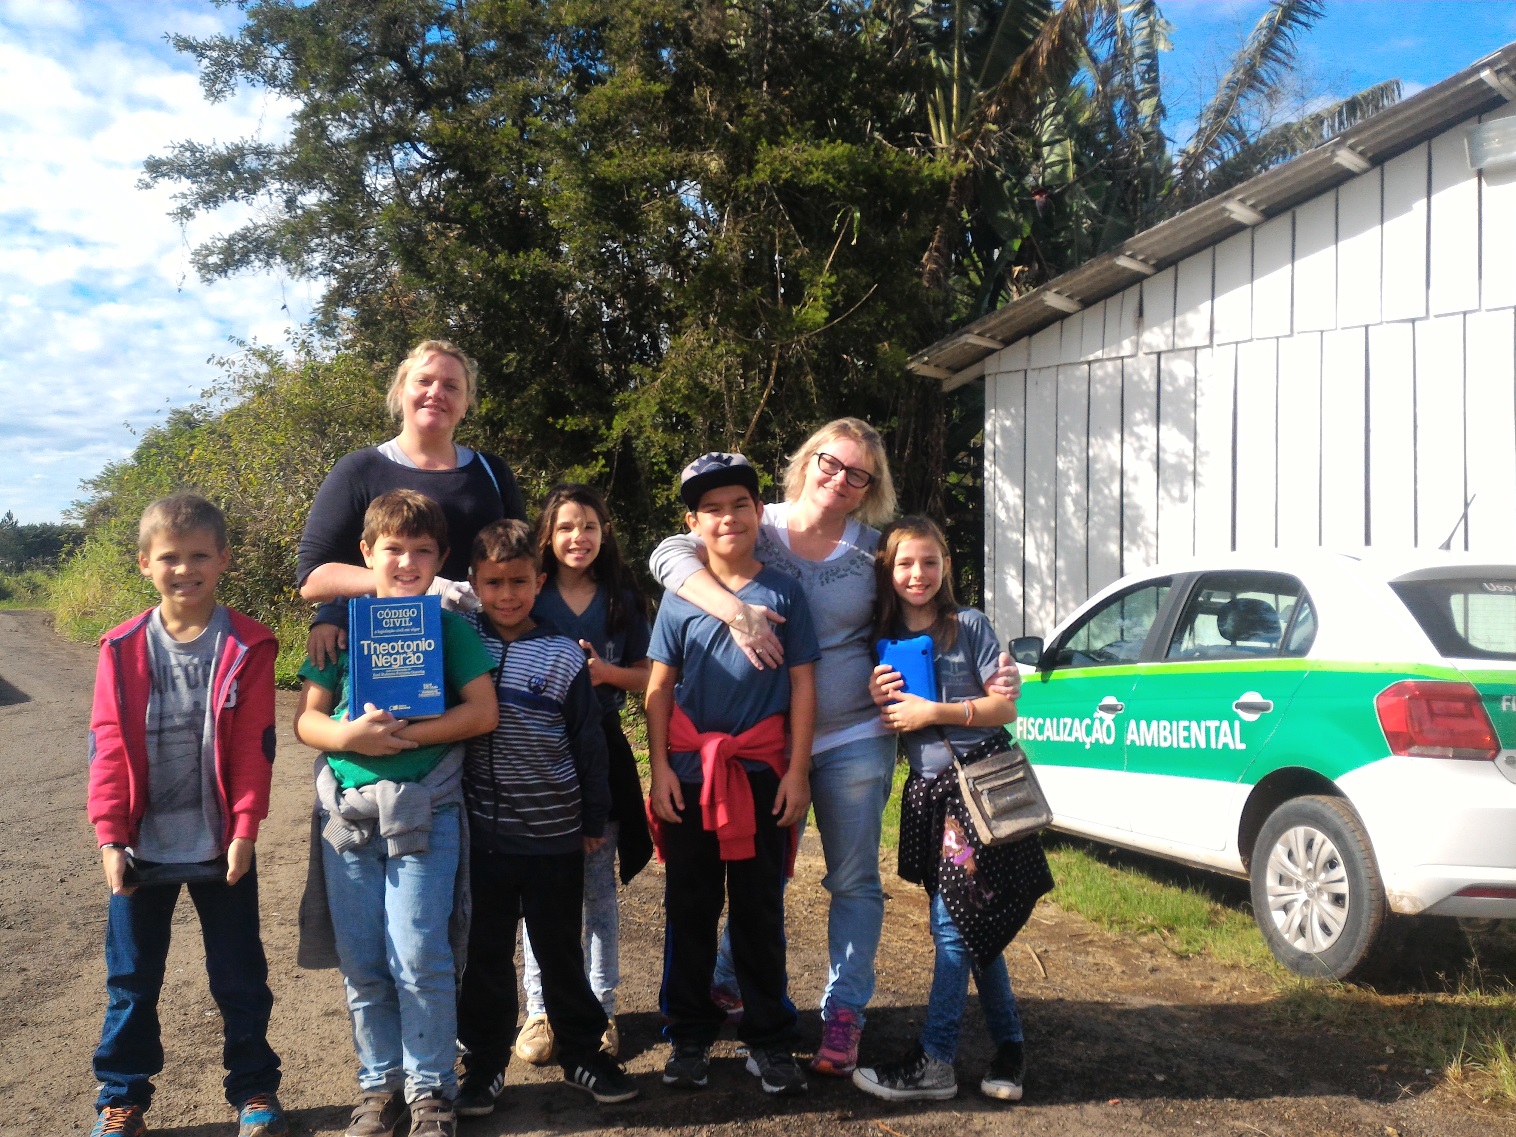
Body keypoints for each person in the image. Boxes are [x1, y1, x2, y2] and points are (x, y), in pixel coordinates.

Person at [651, 417, 1023, 1075]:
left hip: (853, 734)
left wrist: (983, 661)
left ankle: (844, 1009)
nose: (841, 480)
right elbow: (668, 557)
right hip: (762, 742)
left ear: (870, 488)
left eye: (860, 474)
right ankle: (729, 978)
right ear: (807, 459)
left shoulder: (873, 551)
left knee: (851, 877)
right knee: (763, 870)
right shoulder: (752, 519)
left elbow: (921, 604)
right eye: (832, 462)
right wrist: (734, 610)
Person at [294, 490, 499, 1137]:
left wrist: (412, 734)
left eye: (421, 551)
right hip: (348, 821)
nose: (406, 560)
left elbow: (483, 712)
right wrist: (351, 738)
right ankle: (377, 1085)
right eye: (393, 548)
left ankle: (432, 1088)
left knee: (420, 954)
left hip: (426, 815)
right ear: (366, 552)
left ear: (440, 559)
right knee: (363, 960)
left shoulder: (451, 629)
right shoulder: (341, 629)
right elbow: (308, 720)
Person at [86, 494, 286, 1137]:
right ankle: (123, 1098)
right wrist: (111, 836)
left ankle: (254, 1092)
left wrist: (247, 828)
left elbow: (257, 747)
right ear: (146, 563)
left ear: (223, 559)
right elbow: (108, 745)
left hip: (219, 845)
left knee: (239, 977)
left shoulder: (250, 643)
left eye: (200, 555)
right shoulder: (119, 647)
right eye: (170, 557)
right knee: (131, 982)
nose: (185, 568)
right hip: (142, 848)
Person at [852, 517, 1053, 1104]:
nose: (919, 574)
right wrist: (877, 698)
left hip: (981, 792)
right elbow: (889, 715)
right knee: (970, 923)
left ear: (945, 566)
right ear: (889, 571)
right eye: (905, 564)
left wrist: (934, 712)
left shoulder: (968, 625)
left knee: (952, 929)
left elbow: (1003, 709)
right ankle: (1010, 1049)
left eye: (930, 561)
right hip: (931, 794)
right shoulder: (880, 637)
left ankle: (935, 1060)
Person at [646, 452, 818, 1097]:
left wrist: (796, 774)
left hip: (758, 775)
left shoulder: (784, 592)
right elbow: (658, 690)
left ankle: (768, 1038)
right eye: (711, 510)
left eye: (739, 505)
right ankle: (688, 1033)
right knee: (689, 907)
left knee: (759, 911)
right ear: (693, 522)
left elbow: (803, 687)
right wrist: (661, 768)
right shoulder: (678, 599)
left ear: (758, 512)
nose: (727, 519)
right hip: (690, 777)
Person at [452, 518, 639, 1113]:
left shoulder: (562, 653)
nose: (506, 595)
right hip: (480, 838)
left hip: (556, 836)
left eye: (519, 581)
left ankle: (583, 1052)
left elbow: (590, 741)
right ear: (475, 584)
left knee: (560, 949)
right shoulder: (459, 644)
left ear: (539, 580)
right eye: (493, 582)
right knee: (484, 955)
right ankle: (482, 1064)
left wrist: (592, 820)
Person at [513, 484, 654, 1066]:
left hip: (601, 753)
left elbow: (648, 675)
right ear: (547, 534)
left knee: (598, 894)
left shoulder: (624, 598)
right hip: (532, 758)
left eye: (590, 526)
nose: (579, 538)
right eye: (567, 527)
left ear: (605, 533)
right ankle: (540, 1011)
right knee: (539, 897)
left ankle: (600, 1010)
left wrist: (604, 673)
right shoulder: (530, 593)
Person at [297, 339, 526, 668]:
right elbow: (313, 577)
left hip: (483, 650)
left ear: (465, 405)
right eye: (424, 381)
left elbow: (526, 563)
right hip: (386, 650)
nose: (436, 392)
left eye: (451, 386)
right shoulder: (359, 469)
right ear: (401, 392)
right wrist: (428, 585)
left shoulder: (492, 472)